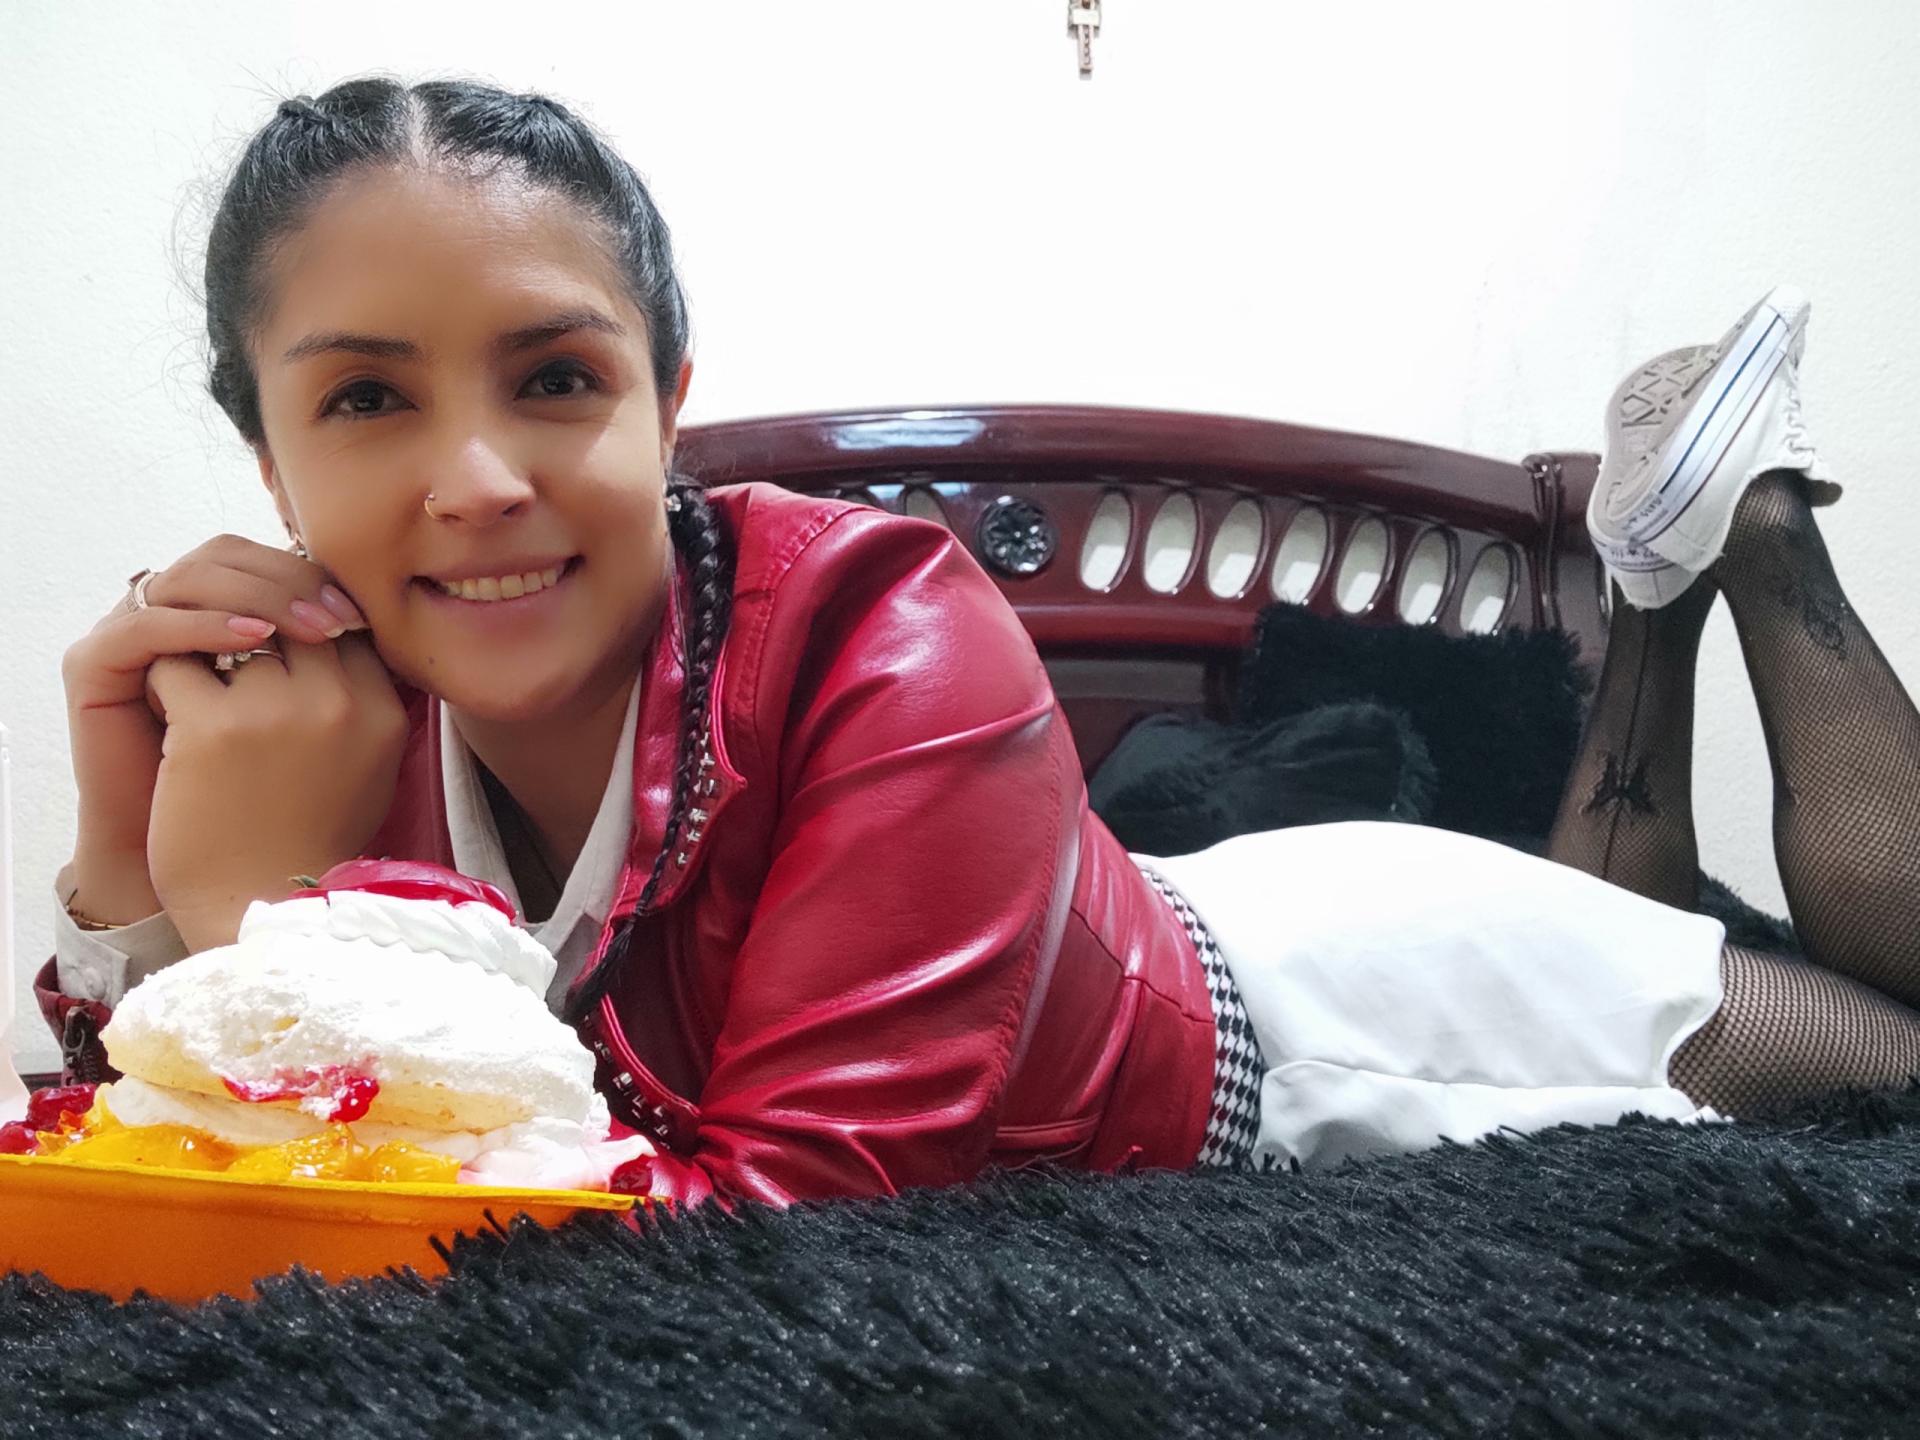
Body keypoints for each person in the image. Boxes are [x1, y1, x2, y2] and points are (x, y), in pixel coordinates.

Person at [35, 79, 1920, 1207]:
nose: (474, 481)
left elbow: (791, 1232)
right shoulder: (309, 715)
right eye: (365, 400)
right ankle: (1651, 597)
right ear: (268, 460)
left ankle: (1748, 549)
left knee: (1893, 1052)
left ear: (668, 404)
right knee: (1676, 898)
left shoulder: (885, 626)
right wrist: (132, 860)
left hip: (1347, 1021)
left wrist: (266, 930)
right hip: (1162, 936)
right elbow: (138, 1184)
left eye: (556, 379)